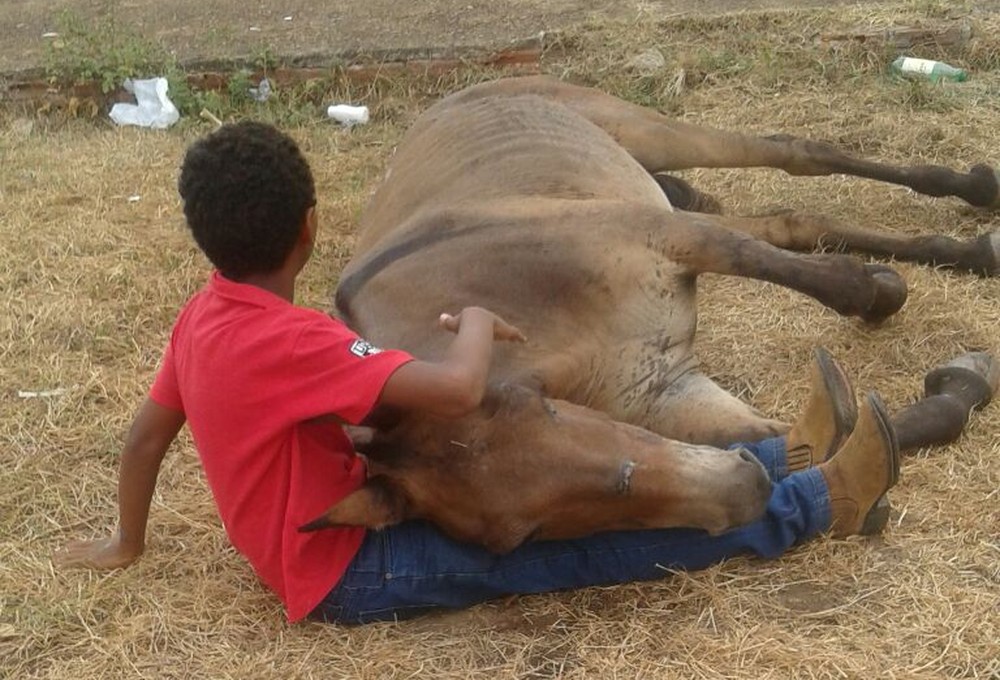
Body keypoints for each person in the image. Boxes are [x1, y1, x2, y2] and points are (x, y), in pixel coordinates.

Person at [56, 121, 899, 625]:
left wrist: (126, 541)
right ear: (310, 228)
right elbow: (459, 390)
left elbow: (144, 439)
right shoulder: (296, 341)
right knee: (588, 547)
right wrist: (479, 330)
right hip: (350, 574)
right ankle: (817, 504)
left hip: (322, 532)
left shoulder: (201, 320)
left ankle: (769, 458)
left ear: (205, 242)